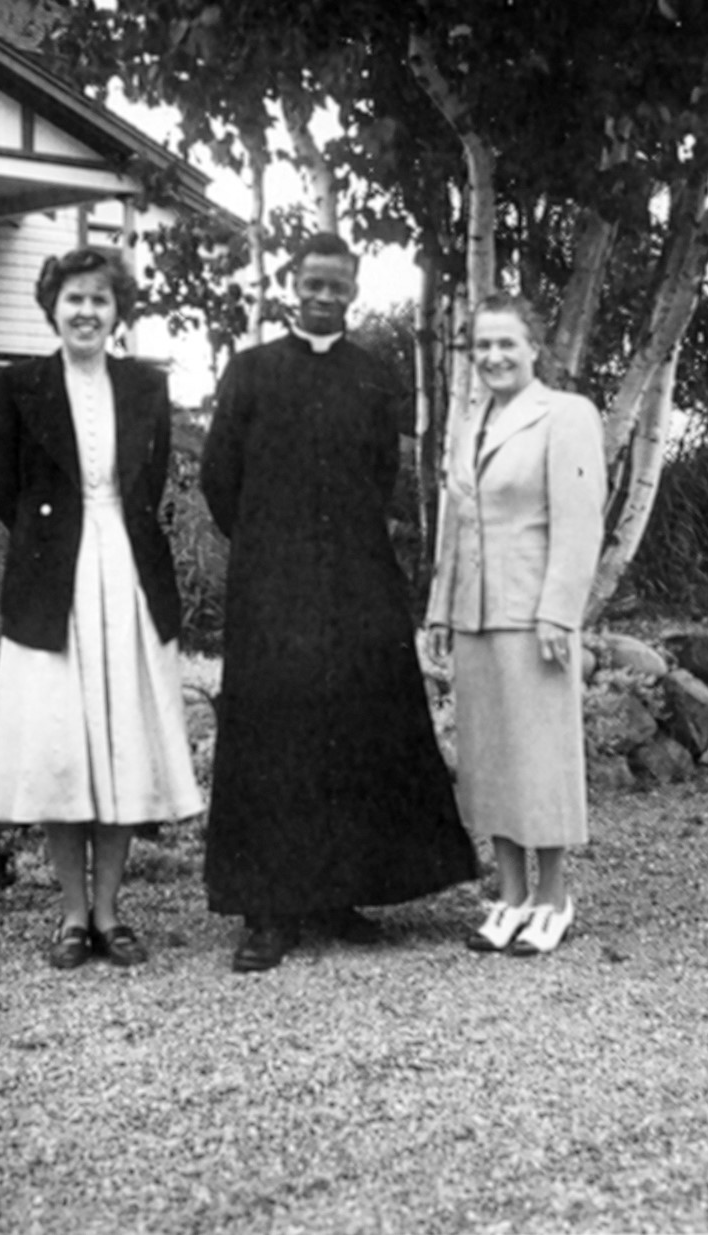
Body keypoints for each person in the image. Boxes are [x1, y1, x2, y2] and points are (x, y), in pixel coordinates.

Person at [200, 232, 477, 973]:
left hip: (356, 579)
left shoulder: (372, 374)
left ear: (353, 292)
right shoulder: (252, 371)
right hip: (272, 586)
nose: (325, 296)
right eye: (313, 283)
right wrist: (270, 548)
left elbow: (381, 474)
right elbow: (220, 479)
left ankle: (338, 893)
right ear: (292, 285)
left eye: (339, 286)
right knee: (273, 736)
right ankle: (267, 908)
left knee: (353, 728)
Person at [0, 247, 203, 970]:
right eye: (74, 298)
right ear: (53, 307)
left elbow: (151, 483)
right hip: (53, 579)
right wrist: (60, 547)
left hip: (128, 574)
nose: (86, 312)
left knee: (122, 742)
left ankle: (110, 912)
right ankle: (73, 916)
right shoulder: (15, 386)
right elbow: (7, 493)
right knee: (62, 746)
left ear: (118, 312)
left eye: (100, 300)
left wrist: (109, 541)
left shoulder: (145, 385)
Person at [425, 292, 605, 955]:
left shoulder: (565, 414)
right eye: (482, 345)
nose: (493, 356)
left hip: (535, 618)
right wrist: (441, 607)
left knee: (540, 758)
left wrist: (559, 610)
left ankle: (553, 897)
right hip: (475, 614)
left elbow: (579, 520)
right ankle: (510, 894)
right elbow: (457, 522)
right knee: (490, 760)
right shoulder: (470, 422)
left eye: (507, 342)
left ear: (534, 348)